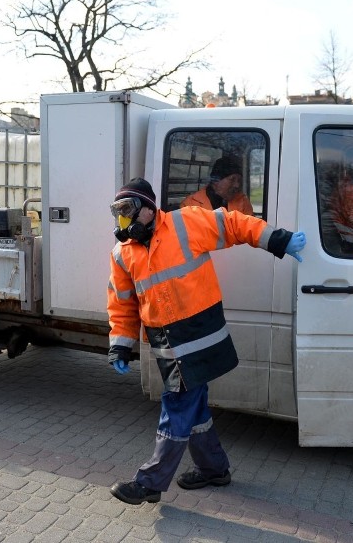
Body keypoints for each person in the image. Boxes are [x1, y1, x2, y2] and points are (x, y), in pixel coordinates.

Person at [106, 178, 306, 505]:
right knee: (194, 408)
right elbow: (122, 302)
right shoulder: (121, 253)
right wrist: (121, 344)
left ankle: (150, 482)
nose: (122, 219)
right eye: (118, 212)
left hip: (198, 337)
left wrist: (277, 239)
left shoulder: (186, 222)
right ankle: (214, 469)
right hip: (166, 343)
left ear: (148, 208)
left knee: (178, 405)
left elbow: (233, 223)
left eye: (128, 210)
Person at [180, 155, 254, 215]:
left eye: (239, 181)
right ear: (216, 180)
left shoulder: (242, 201)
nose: (237, 185)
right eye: (232, 179)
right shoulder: (190, 204)